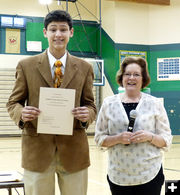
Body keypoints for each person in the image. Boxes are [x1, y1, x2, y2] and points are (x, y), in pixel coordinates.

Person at [6, 10, 96, 195]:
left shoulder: (85, 67)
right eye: (53, 29)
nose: (58, 35)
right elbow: (13, 102)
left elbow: (90, 105)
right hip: (37, 151)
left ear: (71, 33)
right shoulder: (26, 65)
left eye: (63, 30)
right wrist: (21, 114)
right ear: (44, 32)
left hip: (74, 152)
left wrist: (88, 115)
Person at [95, 57, 172, 195]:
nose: (131, 78)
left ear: (143, 79)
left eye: (136, 74)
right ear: (122, 78)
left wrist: (150, 137)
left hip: (150, 175)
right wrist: (118, 138)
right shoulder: (108, 103)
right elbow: (99, 139)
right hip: (119, 177)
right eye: (127, 74)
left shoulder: (155, 104)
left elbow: (166, 139)